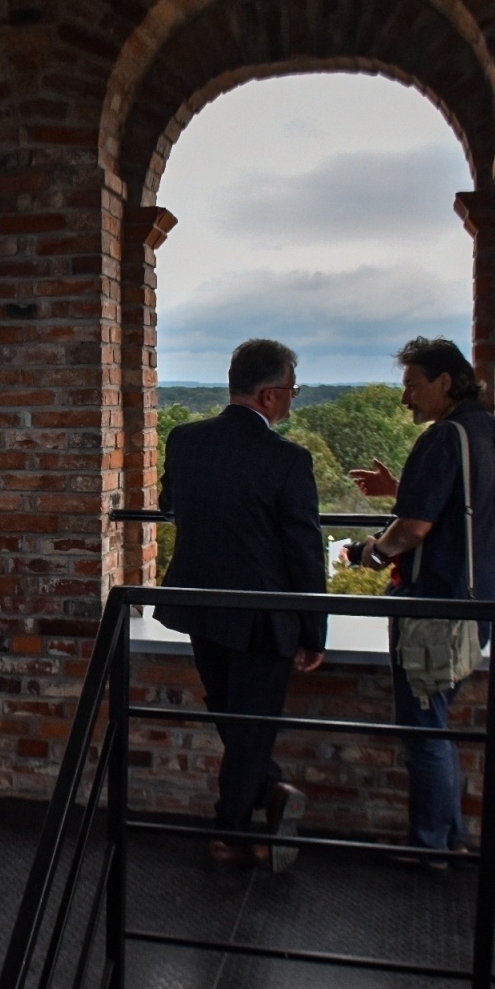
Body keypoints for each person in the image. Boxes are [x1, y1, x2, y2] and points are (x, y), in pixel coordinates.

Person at [155, 339, 327, 873]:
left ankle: (268, 797)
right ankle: (230, 832)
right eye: (292, 392)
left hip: (201, 606)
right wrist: (312, 633)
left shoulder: (186, 440)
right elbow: (304, 552)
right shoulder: (289, 460)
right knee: (250, 725)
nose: (293, 402)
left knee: (235, 720)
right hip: (262, 617)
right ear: (271, 396)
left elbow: (169, 505)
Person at [350, 337, 495, 870]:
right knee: (439, 721)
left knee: (423, 728)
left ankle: (429, 847)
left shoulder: (443, 438)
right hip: (477, 603)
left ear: (445, 382)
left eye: (412, 386)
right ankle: (452, 837)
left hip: (432, 606)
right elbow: (463, 507)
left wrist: (369, 554)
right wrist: (403, 488)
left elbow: (413, 531)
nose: (406, 400)